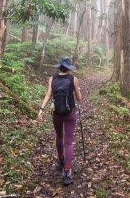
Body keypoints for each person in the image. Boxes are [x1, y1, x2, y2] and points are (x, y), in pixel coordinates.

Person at [37, 56, 83, 186]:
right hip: (70, 114)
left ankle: (61, 160)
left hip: (56, 113)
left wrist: (41, 109)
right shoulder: (73, 79)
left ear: (59, 67)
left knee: (59, 136)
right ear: (68, 68)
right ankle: (67, 171)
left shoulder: (52, 79)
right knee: (68, 142)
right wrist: (78, 90)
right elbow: (79, 99)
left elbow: (48, 95)